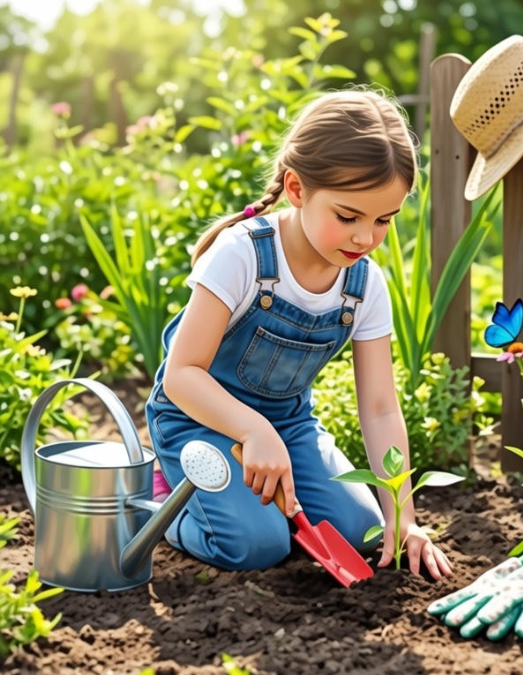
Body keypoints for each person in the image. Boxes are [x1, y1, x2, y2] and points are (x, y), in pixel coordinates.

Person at [145, 88, 452, 579]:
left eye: (384, 220)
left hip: (288, 430)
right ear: (296, 189)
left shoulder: (364, 284)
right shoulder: (242, 254)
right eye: (348, 217)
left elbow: (379, 408)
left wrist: (402, 516)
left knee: (362, 531)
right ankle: (161, 498)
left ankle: (258, 504)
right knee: (254, 546)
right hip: (199, 422)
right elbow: (181, 375)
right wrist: (251, 429)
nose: (365, 237)